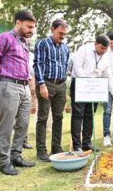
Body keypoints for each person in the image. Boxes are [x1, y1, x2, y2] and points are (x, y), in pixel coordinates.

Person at [0, 10, 36, 175]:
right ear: (18, 22)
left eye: (33, 28)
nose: (31, 30)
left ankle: (16, 156)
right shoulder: (4, 37)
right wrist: (0, 76)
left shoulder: (24, 43)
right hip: (9, 85)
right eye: (29, 27)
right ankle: (4, 162)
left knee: (23, 124)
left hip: (24, 87)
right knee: (6, 126)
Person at [71, 35, 113, 152]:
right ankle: (77, 145)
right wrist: (87, 82)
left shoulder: (106, 55)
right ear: (95, 43)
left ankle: (87, 143)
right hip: (80, 84)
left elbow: (108, 75)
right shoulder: (84, 49)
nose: (103, 51)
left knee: (90, 115)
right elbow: (77, 66)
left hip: (94, 88)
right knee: (78, 114)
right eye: (101, 48)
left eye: (105, 49)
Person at [33, 19, 70, 161]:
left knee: (59, 117)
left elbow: (65, 66)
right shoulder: (42, 44)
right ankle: (41, 150)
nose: (62, 36)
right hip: (46, 84)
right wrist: (41, 85)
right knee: (43, 117)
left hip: (61, 85)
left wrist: (64, 87)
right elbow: (37, 65)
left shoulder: (66, 48)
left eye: (64, 34)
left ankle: (56, 146)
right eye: (60, 33)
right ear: (52, 29)